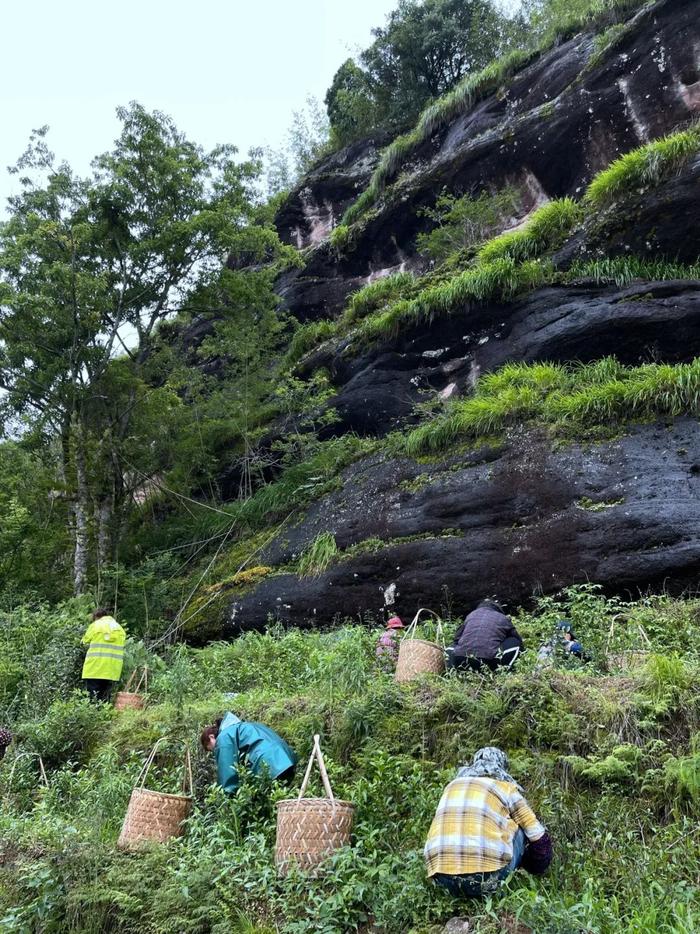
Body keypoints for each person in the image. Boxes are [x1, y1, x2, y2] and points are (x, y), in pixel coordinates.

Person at [424, 746, 552, 898]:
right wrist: (538, 867)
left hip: (442, 880)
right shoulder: (505, 788)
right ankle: (518, 879)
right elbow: (539, 838)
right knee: (521, 827)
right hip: (487, 879)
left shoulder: (451, 787)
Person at [201, 712, 297, 795]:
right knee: (279, 800)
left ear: (211, 737)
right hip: (287, 759)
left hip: (269, 762)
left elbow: (227, 774)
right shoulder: (247, 726)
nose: (214, 751)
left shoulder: (224, 737)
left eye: (210, 748)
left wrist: (226, 801)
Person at [447, 599, 523, 673]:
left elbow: (456, 639)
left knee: (453, 646)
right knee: (514, 641)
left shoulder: (471, 615)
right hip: (487, 662)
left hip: (460, 660)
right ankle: (506, 670)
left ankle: (451, 670)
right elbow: (518, 639)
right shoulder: (503, 618)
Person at [81, 608, 126, 703]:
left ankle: (93, 714)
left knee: (93, 696)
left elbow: (84, 642)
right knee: (105, 696)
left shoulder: (95, 625)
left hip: (94, 667)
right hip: (112, 669)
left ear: (97, 617)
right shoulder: (119, 628)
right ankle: (105, 714)